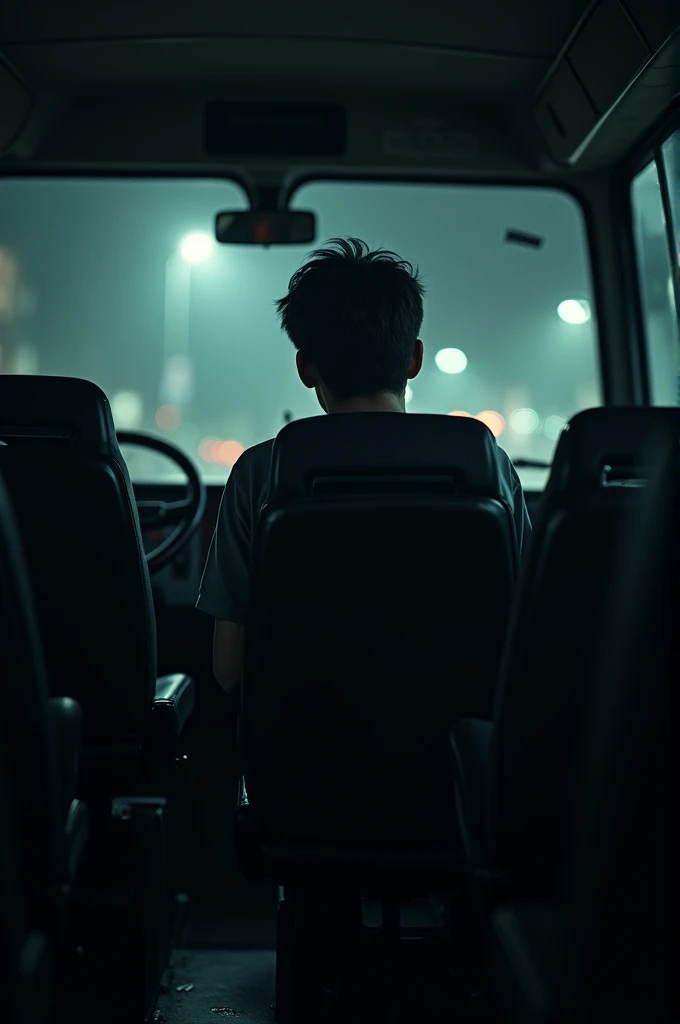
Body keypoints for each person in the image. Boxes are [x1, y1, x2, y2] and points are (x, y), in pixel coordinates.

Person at [196, 237, 530, 694]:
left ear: (306, 367)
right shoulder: (483, 464)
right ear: (414, 359)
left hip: (299, 752)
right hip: (460, 750)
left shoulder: (263, 470)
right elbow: (528, 633)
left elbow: (231, 671)